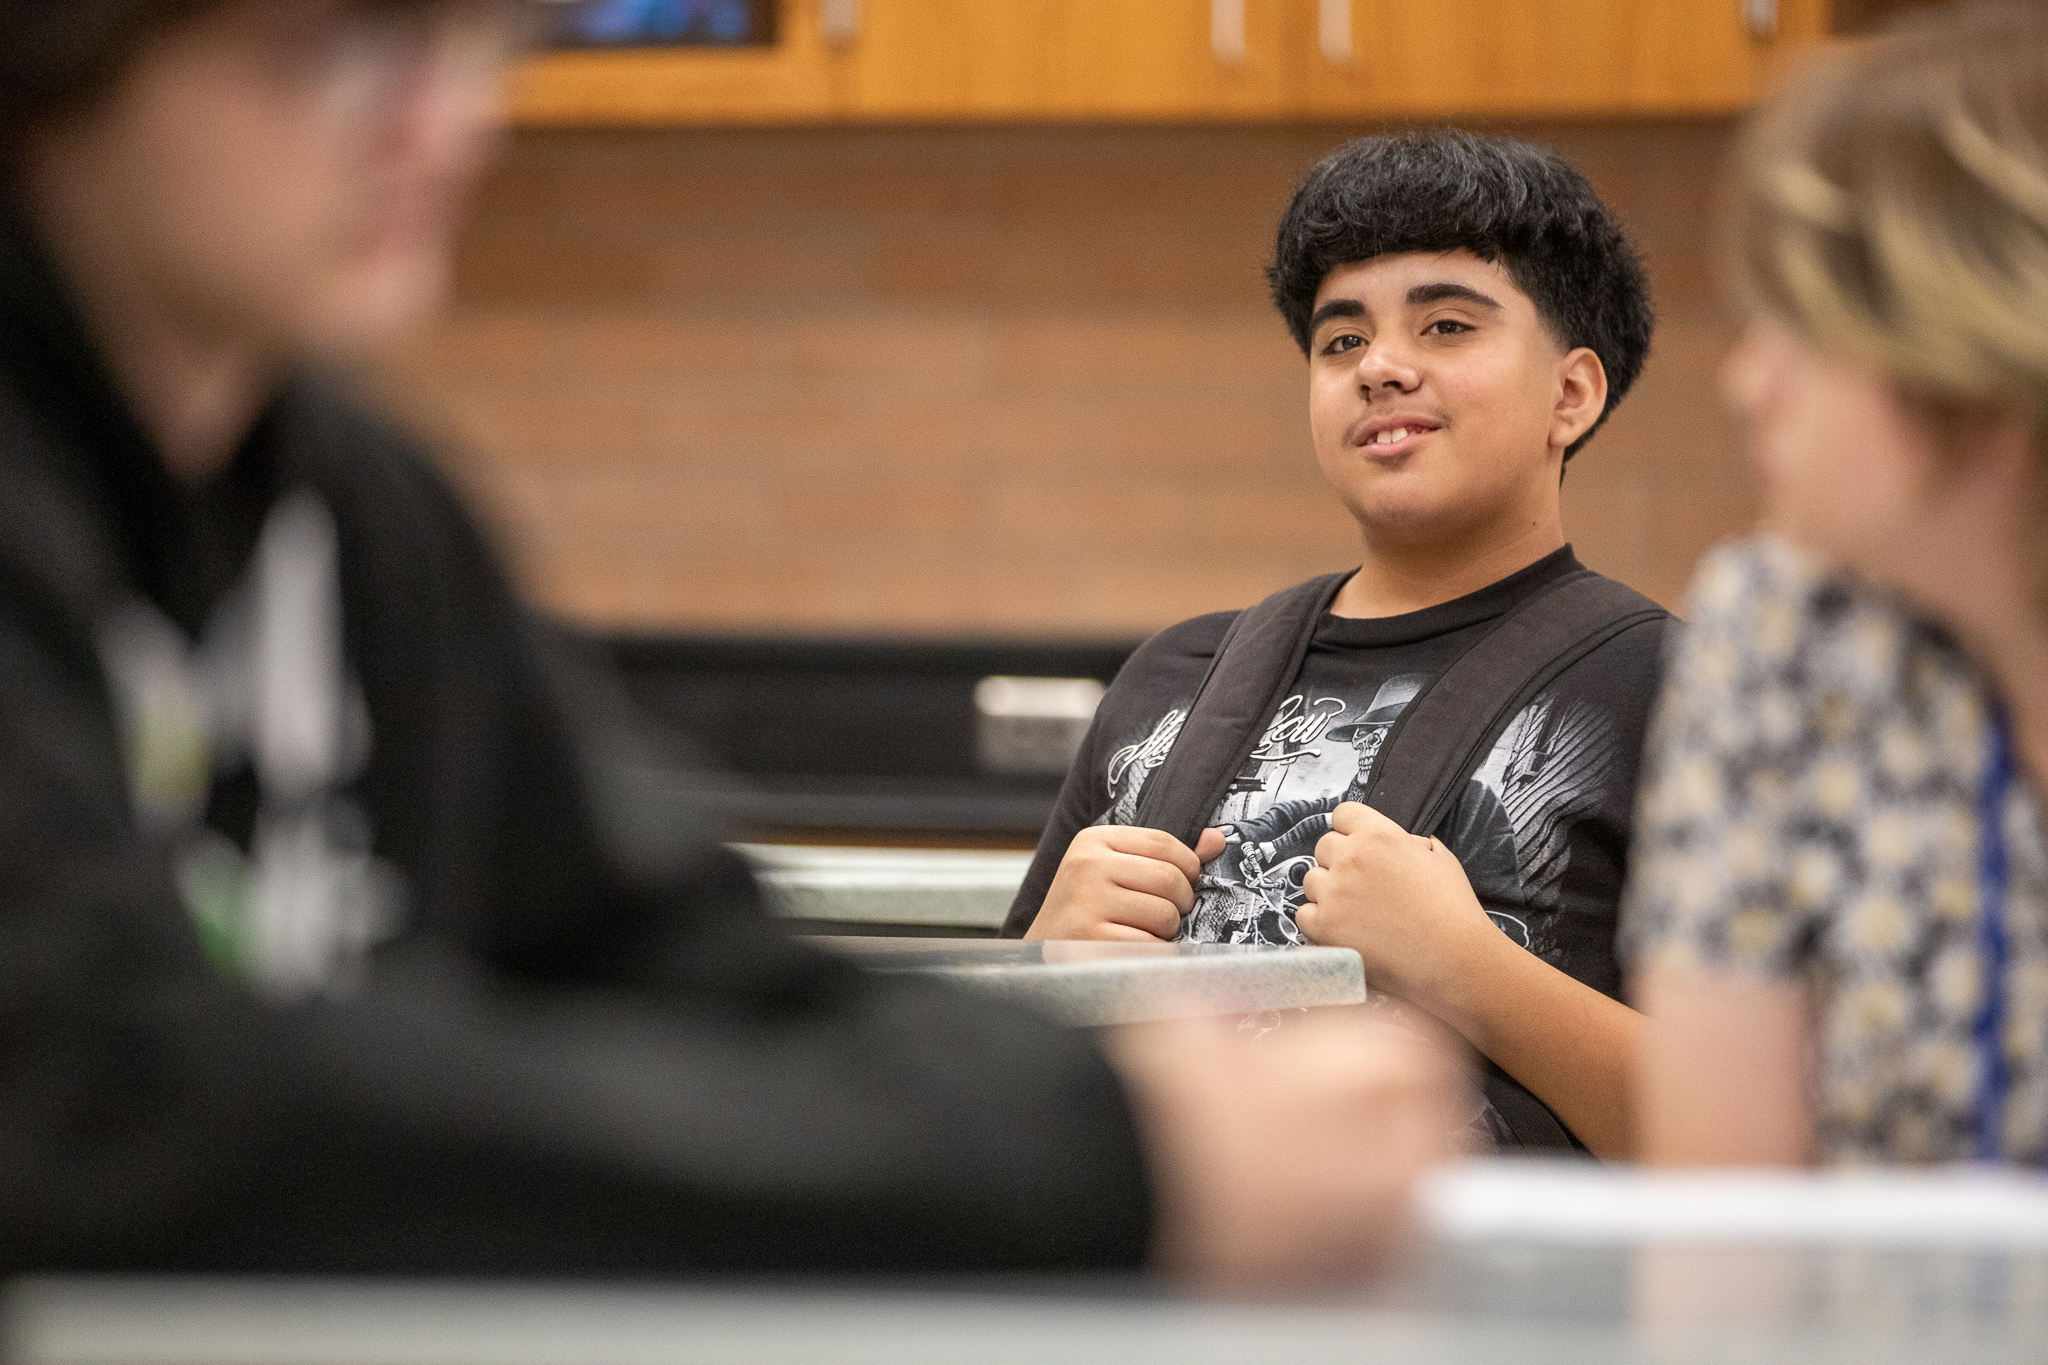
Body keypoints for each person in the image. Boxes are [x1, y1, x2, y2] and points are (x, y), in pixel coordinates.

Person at [0, 0, 1457, 1278]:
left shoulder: (362, 509)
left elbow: (677, 950)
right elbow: (96, 1094)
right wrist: (1092, 1162)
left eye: (462, 37)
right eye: (328, 43)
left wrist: (1125, 1101)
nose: (444, 120)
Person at [1003, 131, 1673, 1160]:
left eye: (1445, 325)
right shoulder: (1172, 676)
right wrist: (1042, 969)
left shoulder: (1672, 692)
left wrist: (1464, 967)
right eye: (1340, 342)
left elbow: (1769, 1142)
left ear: (1570, 395)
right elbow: (971, 1087)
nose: (1381, 369)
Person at [1624, 3, 2048, 1168]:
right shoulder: (1783, 632)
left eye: (1797, 324)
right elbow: (1722, 1227)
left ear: (1974, 344)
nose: (1743, 382)